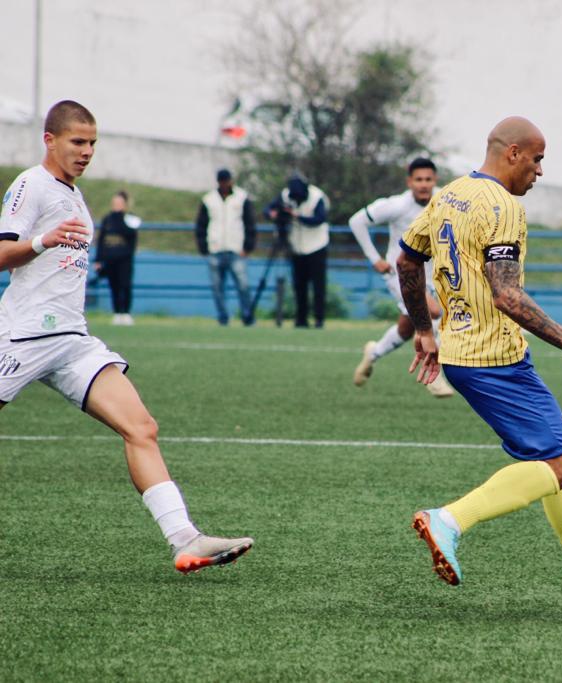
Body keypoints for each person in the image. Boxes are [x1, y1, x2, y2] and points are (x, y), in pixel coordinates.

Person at [397, 116, 562, 618]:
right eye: (536, 159)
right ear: (512, 153)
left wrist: (424, 331)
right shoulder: (503, 207)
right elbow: (507, 294)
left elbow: (409, 261)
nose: (539, 171)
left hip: (463, 353)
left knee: (559, 456)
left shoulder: (450, 194)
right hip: (495, 359)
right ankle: (449, 520)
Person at [0, 100, 253, 573]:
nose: (87, 151)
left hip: (72, 340)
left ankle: (185, 539)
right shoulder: (30, 185)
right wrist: (41, 242)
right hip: (23, 336)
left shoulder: (73, 194)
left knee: (141, 428)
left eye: (93, 142)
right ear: (49, 140)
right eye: (78, 141)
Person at [349, 158, 454, 398]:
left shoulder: (444, 201)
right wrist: (374, 258)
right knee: (434, 313)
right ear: (409, 182)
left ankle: (373, 353)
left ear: (434, 180)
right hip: (401, 274)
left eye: (428, 179)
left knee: (407, 328)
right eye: (418, 179)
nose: (423, 184)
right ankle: (434, 376)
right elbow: (356, 221)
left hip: (430, 275)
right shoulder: (397, 205)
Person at [265, 174, 329, 328]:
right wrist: (271, 214)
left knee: (318, 285)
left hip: (316, 246)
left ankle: (319, 319)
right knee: (299, 285)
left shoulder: (317, 197)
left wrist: (297, 216)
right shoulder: (286, 195)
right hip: (296, 247)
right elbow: (269, 209)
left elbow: (319, 219)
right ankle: (301, 319)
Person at [195, 168, 256, 326]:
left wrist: (247, 247)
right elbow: (201, 225)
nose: (224, 184)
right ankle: (223, 317)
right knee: (217, 288)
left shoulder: (241, 198)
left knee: (243, 286)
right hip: (215, 249)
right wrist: (204, 248)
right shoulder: (209, 199)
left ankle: (247, 317)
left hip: (236, 249)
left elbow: (250, 223)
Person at [93, 190, 140, 325]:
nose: (116, 205)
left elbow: (131, 236)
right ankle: (117, 313)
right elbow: (101, 240)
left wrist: (121, 218)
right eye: (115, 203)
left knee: (125, 285)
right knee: (113, 286)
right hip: (110, 258)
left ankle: (126, 312)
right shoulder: (107, 219)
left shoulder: (129, 218)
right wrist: (98, 259)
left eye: (119, 203)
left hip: (124, 259)